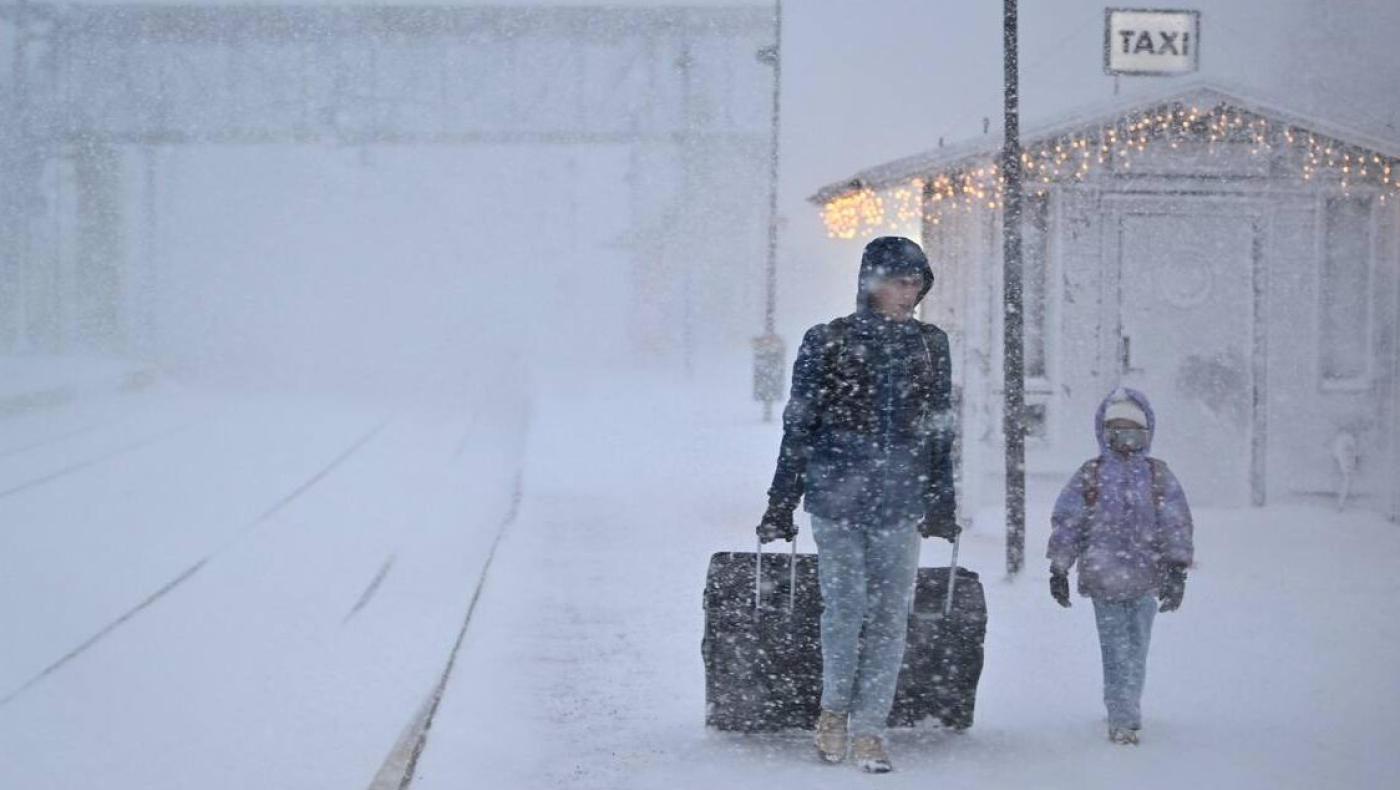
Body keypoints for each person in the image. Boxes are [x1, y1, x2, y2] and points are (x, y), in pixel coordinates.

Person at [757, 236, 958, 772]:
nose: (908, 295)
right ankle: (833, 713)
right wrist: (782, 500)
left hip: (900, 500)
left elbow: (941, 428)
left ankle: (871, 727)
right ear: (871, 283)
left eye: (916, 285)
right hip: (835, 498)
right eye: (899, 282)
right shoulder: (828, 342)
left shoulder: (929, 346)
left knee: (892, 616)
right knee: (843, 610)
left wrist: (941, 499)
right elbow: (798, 426)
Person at [1047, 388, 1195, 745]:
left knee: (1137, 647)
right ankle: (1124, 718)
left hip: (1147, 579)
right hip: (1104, 579)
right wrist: (1059, 567)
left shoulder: (1158, 475)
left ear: (1146, 433)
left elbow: (1176, 522)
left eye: (1133, 429)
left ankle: (1125, 704)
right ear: (1104, 431)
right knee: (1115, 649)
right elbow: (1069, 522)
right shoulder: (1092, 475)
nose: (1125, 437)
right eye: (1117, 429)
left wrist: (1177, 569)